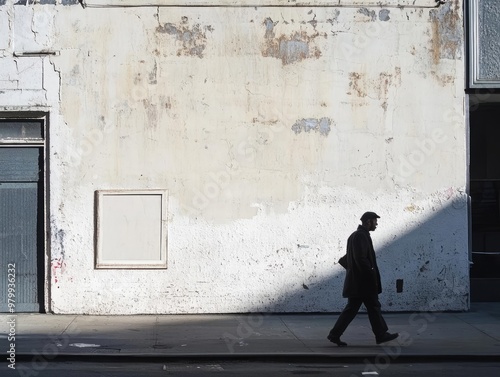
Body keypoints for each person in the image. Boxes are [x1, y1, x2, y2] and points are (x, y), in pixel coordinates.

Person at [327, 211, 398, 346]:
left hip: (357, 282)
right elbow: (360, 259)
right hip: (363, 283)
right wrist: (370, 274)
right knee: (373, 306)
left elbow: (348, 258)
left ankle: (334, 334)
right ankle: (381, 335)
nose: (377, 224)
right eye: (375, 221)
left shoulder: (355, 235)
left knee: (353, 309)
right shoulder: (361, 236)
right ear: (368, 222)